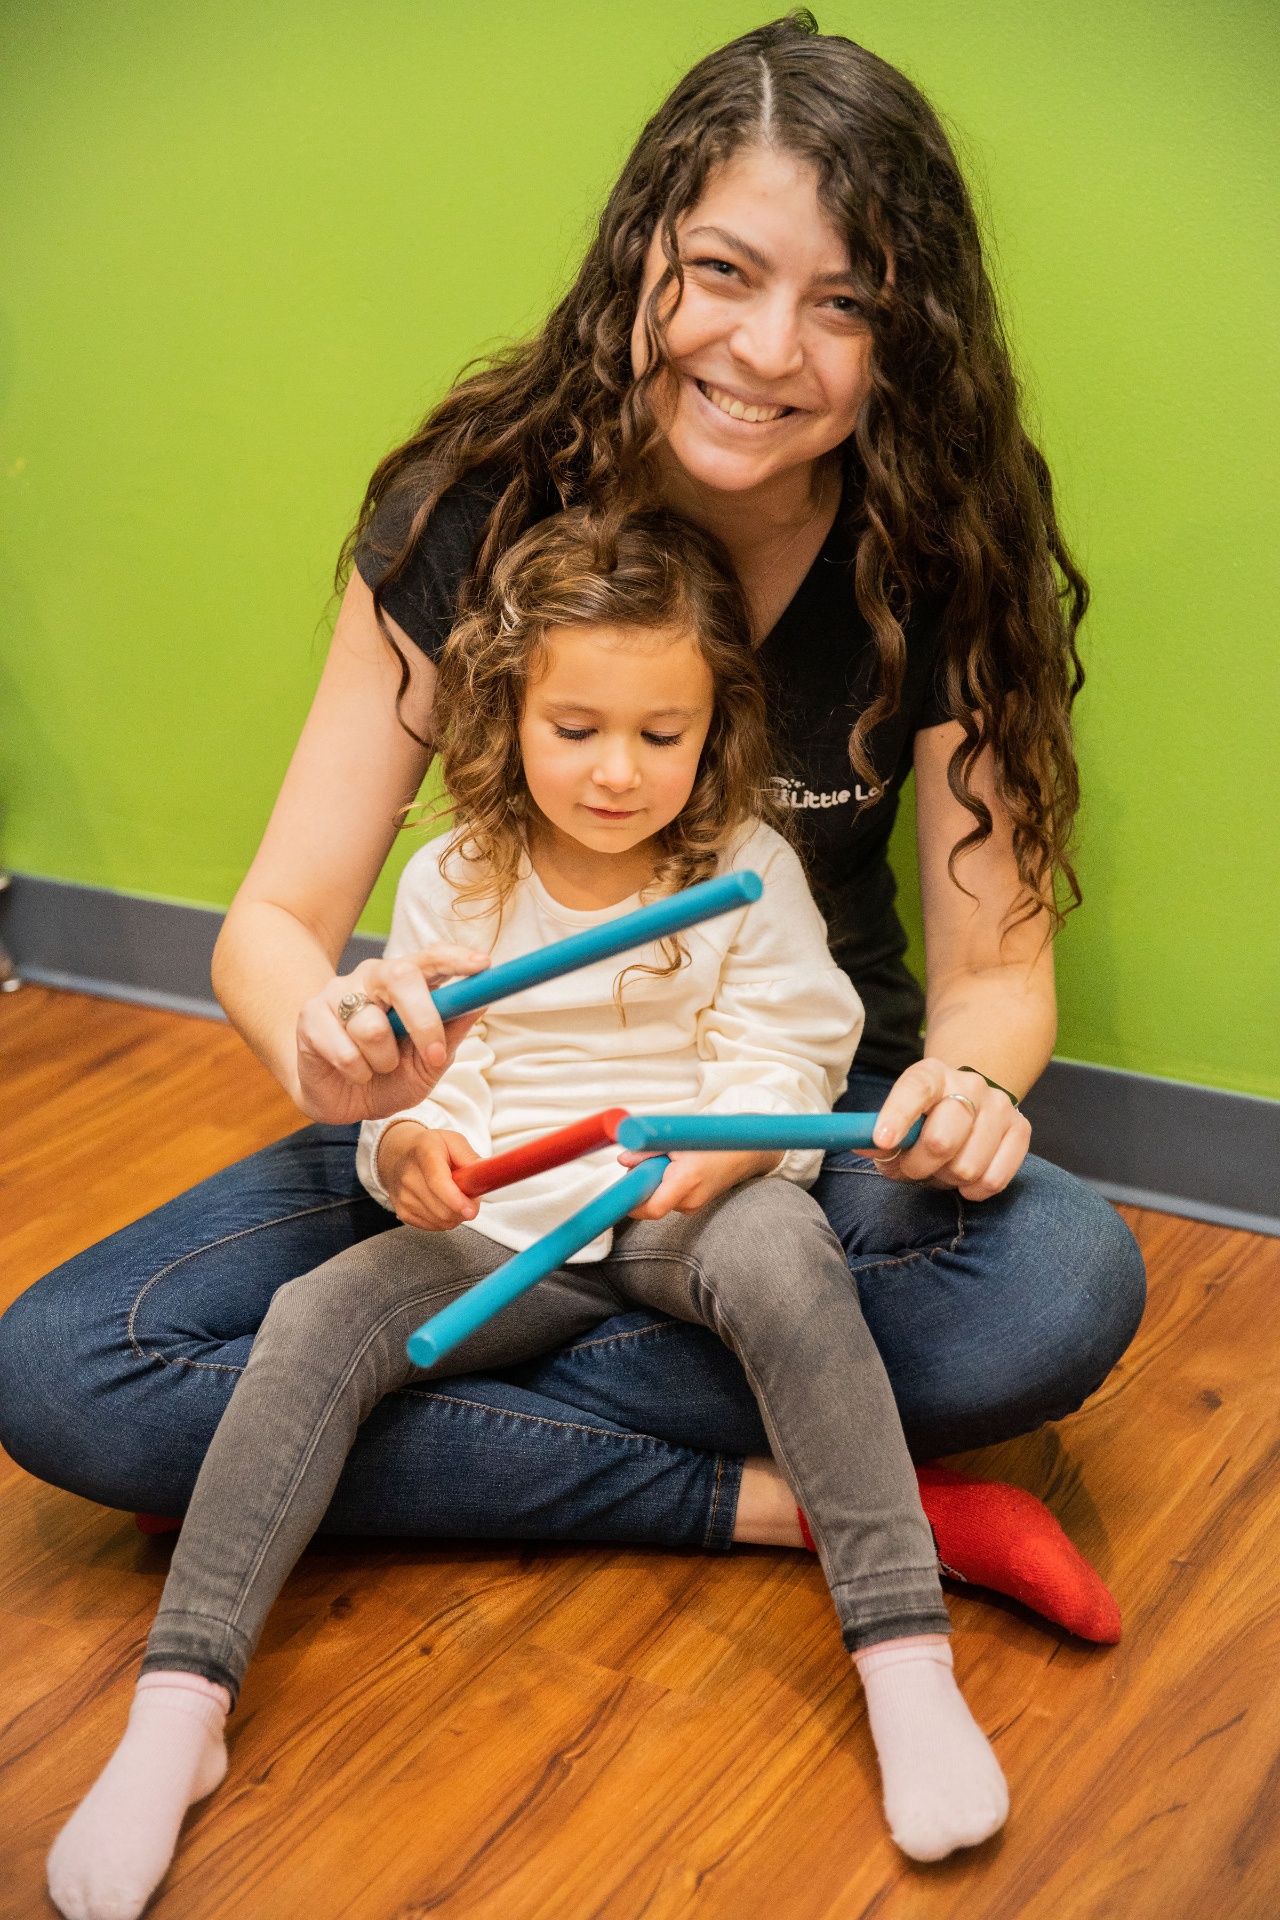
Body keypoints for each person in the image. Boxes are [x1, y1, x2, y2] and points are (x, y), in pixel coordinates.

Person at [0, 16, 1143, 1581]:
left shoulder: (944, 542)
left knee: (1063, 1284)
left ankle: (323, 1440)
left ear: (909, 334)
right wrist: (329, 1055)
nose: (764, 351)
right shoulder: (467, 510)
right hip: (478, 1147)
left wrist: (970, 1088)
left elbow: (998, 976)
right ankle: (808, 1494)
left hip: (777, 1160)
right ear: (643, 259)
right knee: (67, 1370)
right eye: (726, 273)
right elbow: (275, 924)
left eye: (844, 304)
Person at [47, 510, 1009, 1919]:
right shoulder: (460, 876)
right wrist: (416, 1146)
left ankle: (903, 1654)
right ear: (505, 715)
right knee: (317, 1314)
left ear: (715, 727)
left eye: (660, 734)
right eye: (577, 728)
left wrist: (734, 1146)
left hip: (691, 1196)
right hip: (510, 1219)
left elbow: (792, 1043)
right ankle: (178, 1707)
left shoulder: (745, 864)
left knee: (795, 1259)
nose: (619, 771)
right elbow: (432, 1071)